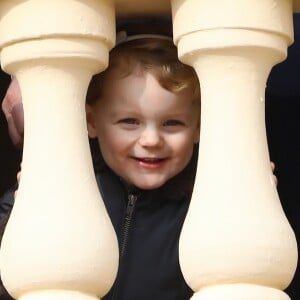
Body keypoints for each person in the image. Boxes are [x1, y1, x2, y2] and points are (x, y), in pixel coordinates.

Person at [0, 33, 201, 300]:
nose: (151, 140)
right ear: (92, 121)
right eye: (130, 121)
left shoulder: (200, 202)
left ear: (199, 127)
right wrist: (18, 218)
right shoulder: (66, 185)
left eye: (172, 123)